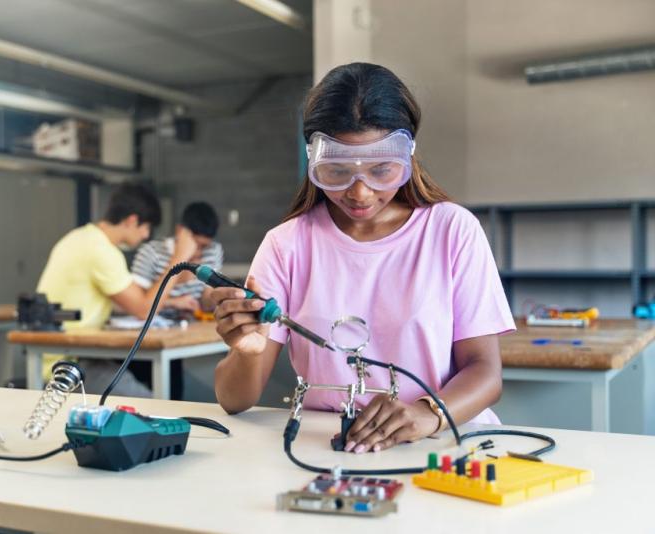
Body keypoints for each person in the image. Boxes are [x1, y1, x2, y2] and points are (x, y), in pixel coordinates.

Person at [211, 63, 514, 454]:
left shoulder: (452, 229)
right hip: (334, 447)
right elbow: (235, 400)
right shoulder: (287, 244)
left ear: (407, 158)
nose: (360, 193)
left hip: (442, 443)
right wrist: (246, 351)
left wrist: (427, 413)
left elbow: (486, 373)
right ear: (314, 161)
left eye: (381, 171)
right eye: (337, 172)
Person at [36, 181, 199, 396]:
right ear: (132, 220)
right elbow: (142, 309)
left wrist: (170, 302)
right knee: (154, 402)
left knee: (152, 378)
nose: (145, 236)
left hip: (57, 353)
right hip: (68, 363)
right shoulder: (102, 251)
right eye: (146, 227)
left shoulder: (79, 238)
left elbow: (125, 301)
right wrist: (179, 258)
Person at [131, 201, 223, 314]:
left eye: (204, 246)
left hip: (192, 324)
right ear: (180, 231)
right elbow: (136, 305)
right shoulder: (150, 252)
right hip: (155, 325)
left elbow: (207, 304)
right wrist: (180, 256)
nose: (199, 252)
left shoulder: (213, 251)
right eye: (196, 244)